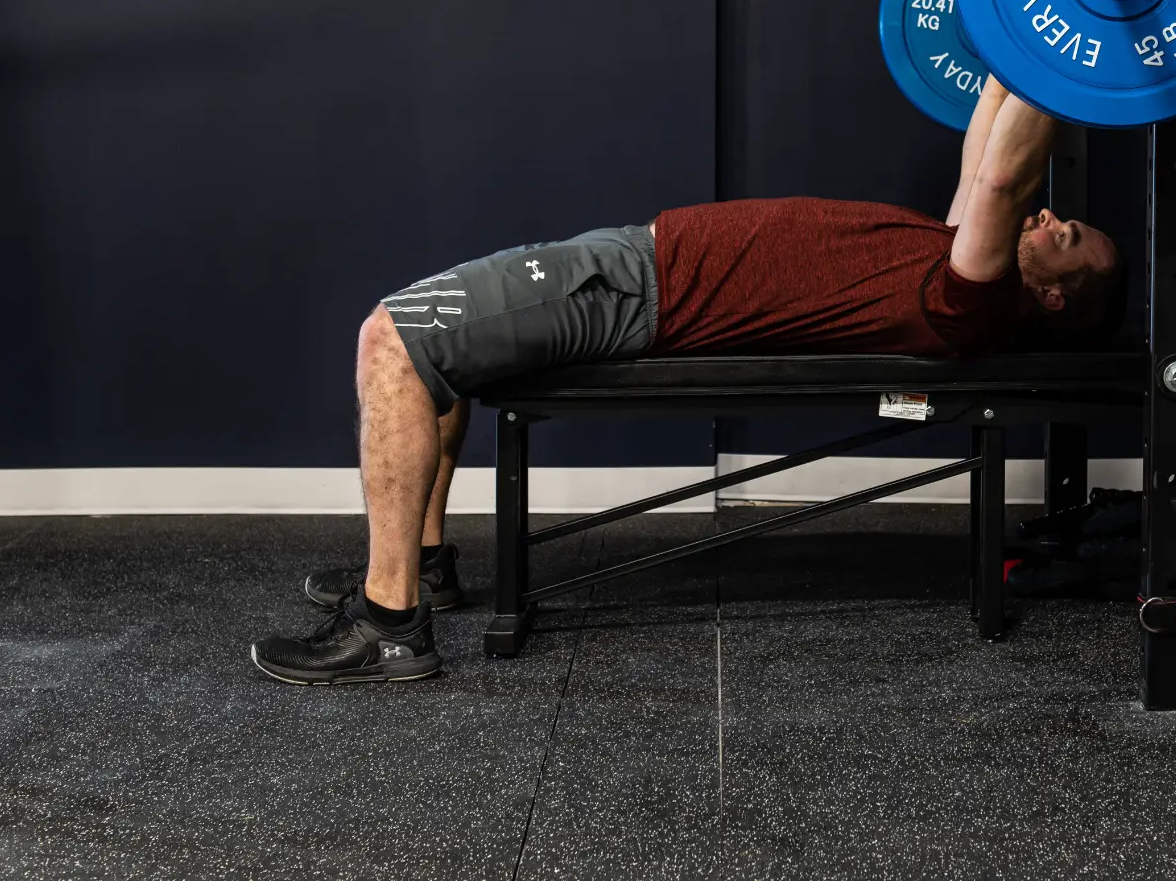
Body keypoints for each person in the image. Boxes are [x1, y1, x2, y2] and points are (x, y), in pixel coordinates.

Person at [249, 77, 1119, 684]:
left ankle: (389, 622)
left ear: (1046, 291)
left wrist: (1068, 36)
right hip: (638, 266)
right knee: (433, 344)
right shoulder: (956, 253)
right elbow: (992, 125)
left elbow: (1008, 170)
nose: (1049, 216)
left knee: (390, 341)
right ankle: (424, 563)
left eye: (1066, 234)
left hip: (638, 292)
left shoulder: (969, 298)